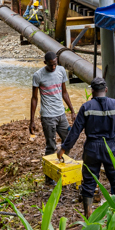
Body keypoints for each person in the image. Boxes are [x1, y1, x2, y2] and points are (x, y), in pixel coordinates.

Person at [58, 77, 115, 217]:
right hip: (111, 147)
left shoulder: (86, 107)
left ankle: (88, 213)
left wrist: (64, 148)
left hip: (92, 148)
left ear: (92, 91)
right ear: (106, 90)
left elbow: (75, 131)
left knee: (89, 180)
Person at [30, 51, 75, 184]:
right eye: (50, 65)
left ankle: (62, 167)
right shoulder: (38, 75)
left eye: (55, 64)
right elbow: (34, 98)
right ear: (45, 63)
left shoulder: (61, 71)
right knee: (51, 146)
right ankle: (49, 178)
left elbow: (64, 93)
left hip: (61, 114)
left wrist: (72, 110)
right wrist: (32, 120)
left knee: (68, 140)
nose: (53, 67)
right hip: (48, 116)